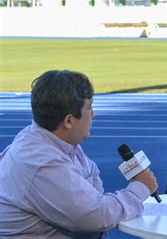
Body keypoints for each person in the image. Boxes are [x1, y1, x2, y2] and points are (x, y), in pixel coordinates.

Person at [0, 70, 158, 238]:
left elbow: (94, 184)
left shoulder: (53, 142)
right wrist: (141, 187)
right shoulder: (41, 162)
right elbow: (96, 217)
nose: (93, 115)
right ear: (69, 121)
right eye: (89, 108)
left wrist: (98, 204)